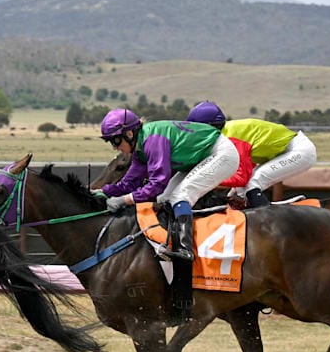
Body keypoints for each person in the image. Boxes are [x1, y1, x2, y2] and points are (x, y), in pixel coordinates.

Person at [96, 108, 239, 262]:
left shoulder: (152, 140)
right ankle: (170, 240)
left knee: (180, 196)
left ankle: (185, 249)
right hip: (200, 157)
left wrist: (125, 200)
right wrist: (103, 192)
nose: (114, 147)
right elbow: (129, 184)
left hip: (222, 154)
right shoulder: (140, 147)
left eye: (116, 140)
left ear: (129, 134)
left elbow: (157, 184)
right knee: (164, 198)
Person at [186, 101, 317, 208]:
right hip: (286, 150)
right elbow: (245, 167)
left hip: (299, 151)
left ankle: (268, 218)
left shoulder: (231, 138)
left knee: (253, 183)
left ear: (210, 127)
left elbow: (241, 178)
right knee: (238, 191)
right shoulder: (226, 132)